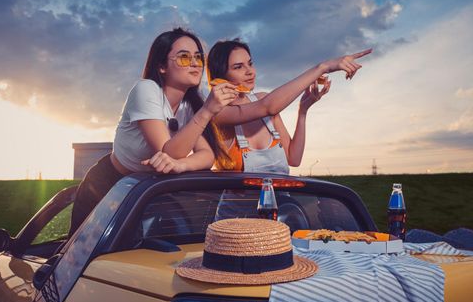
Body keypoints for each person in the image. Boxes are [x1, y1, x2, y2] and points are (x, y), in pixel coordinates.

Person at [70, 28, 237, 236]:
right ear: (161, 66)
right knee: (82, 258)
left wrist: (179, 165)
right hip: (108, 185)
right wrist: (208, 110)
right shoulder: (146, 89)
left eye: (198, 57)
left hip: (148, 189)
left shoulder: (191, 104)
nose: (195, 63)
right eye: (184, 57)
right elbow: (168, 151)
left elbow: (207, 156)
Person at [207, 39, 371, 174]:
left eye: (250, 64)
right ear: (221, 75)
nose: (250, 71)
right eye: (238, 67)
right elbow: (268, 106)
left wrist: (303, 112)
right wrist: (323, 67)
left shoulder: (263, 99)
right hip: (238, 212)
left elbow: (294, 158)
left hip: (276, 208)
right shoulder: (218, 112)